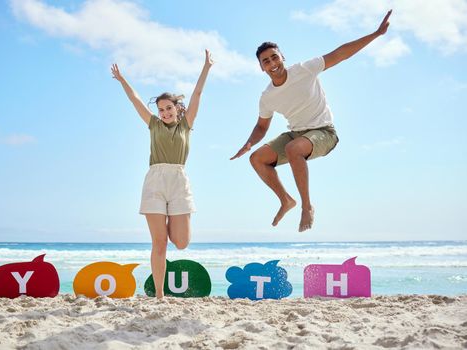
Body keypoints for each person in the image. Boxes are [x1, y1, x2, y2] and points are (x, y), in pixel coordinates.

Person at [231, 10, 392, 232]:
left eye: (274, 57)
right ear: (262, 67)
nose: (272, 63)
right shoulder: (267, 96)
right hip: (296, 134)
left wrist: (375, 34)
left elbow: (341, 53)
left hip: (324, 132)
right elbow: (261, 126)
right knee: (257, 158)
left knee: (293, 148)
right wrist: (249, 143)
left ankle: (306, 207)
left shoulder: (304, 70)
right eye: (266, 61)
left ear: (282, 57)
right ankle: (286, 200)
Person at [111, 50, 213, 298]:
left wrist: (206, 68)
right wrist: (123, 80)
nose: (165, 113)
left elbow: (198, 93)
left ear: (177, 108)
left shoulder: (186, 124)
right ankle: (159, 295)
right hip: (155, 182)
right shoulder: (154, 125)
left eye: (168, 108)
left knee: (181, 242)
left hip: (178, 182)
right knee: (159, 243)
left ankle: (170, 224)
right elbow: (135, 100)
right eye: (161, 109)